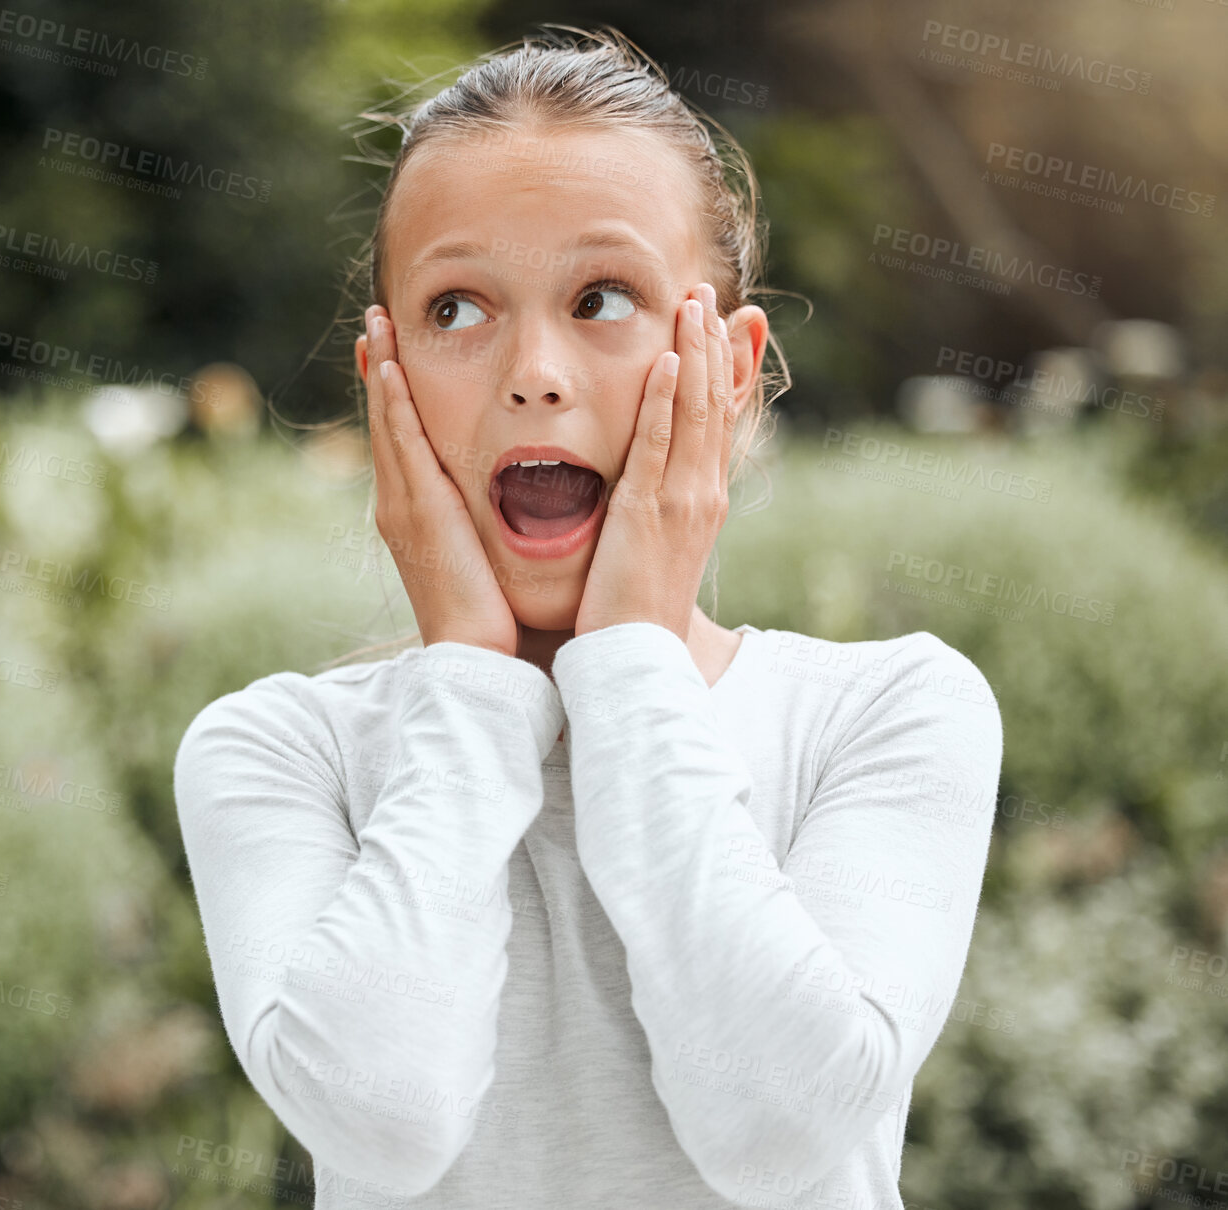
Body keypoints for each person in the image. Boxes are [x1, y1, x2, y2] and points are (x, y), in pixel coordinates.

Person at [174, 25, 1004, 1210]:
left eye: (601, 296)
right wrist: (468, 676)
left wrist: (625, 664)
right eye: (456, 308)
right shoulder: (278, 751)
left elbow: (778, 1131)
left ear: (727, 366)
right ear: (384, 375)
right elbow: (385, 1119)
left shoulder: (887, 715)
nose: (535, 372)